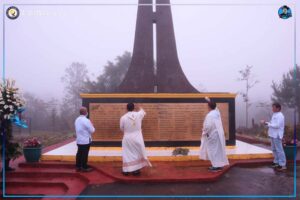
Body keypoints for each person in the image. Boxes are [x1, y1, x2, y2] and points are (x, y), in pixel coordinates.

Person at [120, 103, 152, 176]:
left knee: (127, 154)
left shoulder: (123, 117)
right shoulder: (138, 115)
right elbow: (143, 111)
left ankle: (126, 171)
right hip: (137, 137)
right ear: (134, 108)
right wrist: (139, 107)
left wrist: (128, 131)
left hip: (127, 137)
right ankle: (136, 170)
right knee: (136, 153)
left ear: (126, 108)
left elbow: (121, 128)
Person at [199, 98, 229, 172]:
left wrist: (203, 131)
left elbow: (208, 126)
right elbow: (216, 108)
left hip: (212, 136)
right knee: (217, 151)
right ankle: (219, 165)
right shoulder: (216, 113)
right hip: (217, 135)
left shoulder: (210, 115)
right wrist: (209, 100)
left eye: (208, 106)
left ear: (209, 107)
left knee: (213, 151)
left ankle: (215, 166)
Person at [261, 103, 286, 171]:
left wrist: (267, 124)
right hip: (272, 134)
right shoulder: (274, 114)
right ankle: (276, 162)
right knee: (274, 149)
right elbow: (272, 124)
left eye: (273, 107)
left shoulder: (280, 116)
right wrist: (266, 123)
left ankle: (282, 165)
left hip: (277, 135)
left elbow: (277, 125)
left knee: (279, 150)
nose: (272, 109)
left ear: (278, 108)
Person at [75, 107, 95, 172]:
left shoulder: (77, 119)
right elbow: (92, 130)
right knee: (84, 154)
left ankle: (78, 166)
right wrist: (92, 125)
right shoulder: (86, 120)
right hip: (85, 140)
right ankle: (84, 167)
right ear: (85, 112)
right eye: (86, 111)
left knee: (79, 153)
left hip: (79, 140)